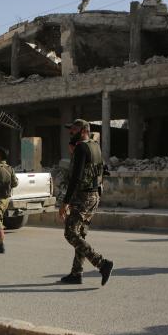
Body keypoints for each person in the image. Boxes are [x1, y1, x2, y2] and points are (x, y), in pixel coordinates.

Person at [59, 119, 113, 286]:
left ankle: (101, 263)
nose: (70, 134)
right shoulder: (95, 146)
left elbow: (76, 177)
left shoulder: (81, 148)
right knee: (80, 234)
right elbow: (103, 170)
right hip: (94, 195)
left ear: (83, 131)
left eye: (73, 131)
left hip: (82, 197)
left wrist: (65, 202)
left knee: (70, 233)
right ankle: (76, 273)